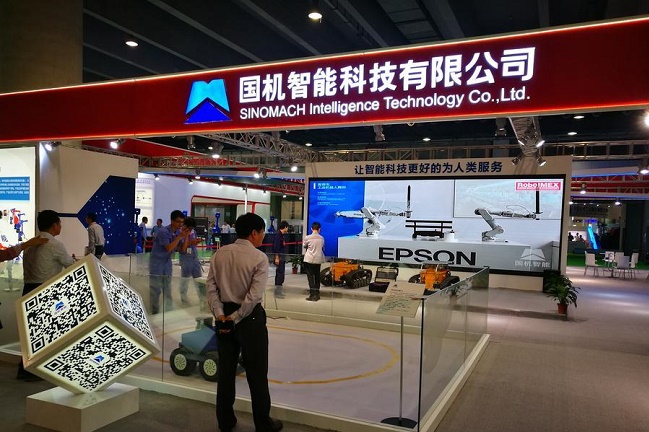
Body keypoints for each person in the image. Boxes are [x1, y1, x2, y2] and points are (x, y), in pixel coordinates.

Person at [206, 213, 283, 432]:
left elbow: (211, 287)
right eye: (262, 232)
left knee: (226, 372)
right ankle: (263, 423)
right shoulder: (259, 258)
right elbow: (254, 296)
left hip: (223, 317)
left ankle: (225, 421)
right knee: (257, 372)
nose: (263, 236)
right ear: (254, 233)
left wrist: (221, 314)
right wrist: (236, 317)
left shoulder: (219, 254)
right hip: (250, 319)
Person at [19, 210, 76, 381]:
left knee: (31, 335)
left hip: (28, 290)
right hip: (45, 290)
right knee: (47, 333)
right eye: (59, 224)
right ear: (54, 225)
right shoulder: (55, 245)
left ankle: (25, 370)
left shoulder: (30, 244)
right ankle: (40, 371)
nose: (60, 227)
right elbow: (70, 264)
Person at [149, 210, 188, 314]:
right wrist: (180, 236)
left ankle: (168, 312)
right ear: (172, 221)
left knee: (167, 288)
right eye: (178, 222)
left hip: (167, 262)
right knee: (156, 289)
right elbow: (168, 248)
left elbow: (182, 249)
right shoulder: (163, 232)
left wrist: (186, 236)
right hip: (157, 262)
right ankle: (154, 312)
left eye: (182, 222)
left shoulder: (178, 233)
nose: (180, 225)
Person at [177, 216, 206, 309]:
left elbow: (193, 243)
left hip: (194, 257)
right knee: (185, 280)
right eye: (190, 228)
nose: (191, 230)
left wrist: (196, 241)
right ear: (185, 225)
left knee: (199, 279)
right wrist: (190, 240)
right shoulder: (180, 233)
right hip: (185, 258)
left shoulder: (193, 231)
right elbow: (182, 248)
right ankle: (184, 300)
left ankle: (203, 300)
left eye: (192, 228)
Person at [303, 222, 326, 301]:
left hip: (309, 259)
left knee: (310, 277)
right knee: (317, 276)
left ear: (311, 229)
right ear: (319, 229)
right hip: (318, 259)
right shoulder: (322, 238)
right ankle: (317, 293)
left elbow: (304, 246)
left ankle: (312, 294)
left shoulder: (307, 238)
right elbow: (323, 248)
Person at [272, 221, 289, 298]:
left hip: (282, 257)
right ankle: (277, 293)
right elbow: (276, 247)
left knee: (281, 274)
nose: (287, 229)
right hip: (279, 257)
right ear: (285, 227)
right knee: (279, 274)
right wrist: (276, 257)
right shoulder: (278, 235)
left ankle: (279, 291)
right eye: (287, 227)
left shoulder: (282, 235)